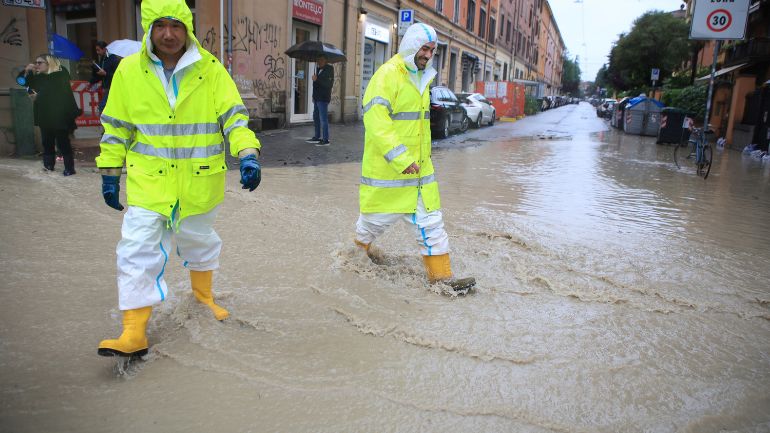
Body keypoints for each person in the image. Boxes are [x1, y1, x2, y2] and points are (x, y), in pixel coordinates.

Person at [95, 0, 262, 358]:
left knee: (199, 243)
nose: (168, 34)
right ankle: (133, 331)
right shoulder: (129, 71)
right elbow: (116, 128)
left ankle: (203, 299)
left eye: (176, 26)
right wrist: (109, 173)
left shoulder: (210, 69)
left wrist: (248, 153)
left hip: (200, 183)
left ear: (187, 29)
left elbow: (234, 118)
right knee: (136, 250)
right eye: (160, 26)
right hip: (149, 184)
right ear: (148, 29)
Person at [353, 23, 475, 293]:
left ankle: (442, 281)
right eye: (425, 48)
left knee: (432, 225)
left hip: (420, 175)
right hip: (389, 176)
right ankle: (352, 261)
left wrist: (417, 161)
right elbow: (376, 122)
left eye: (432, 50)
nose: (428, 54)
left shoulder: (422, 78)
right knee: (369, 227)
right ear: (411, 46)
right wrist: (401, 159)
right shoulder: (387, 76)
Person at [17, 54, 80, 176]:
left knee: (63, 142)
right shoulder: (39, 76)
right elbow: (22, 82)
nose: (37, 65)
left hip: (60, 114)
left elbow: (53, 90)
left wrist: (38, 96)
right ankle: (48, 165)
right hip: (45, 114)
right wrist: (26, 71)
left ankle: (69, 168)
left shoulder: (61, 73)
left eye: (40, 63)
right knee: (47, 141)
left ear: (49, 63)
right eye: (36, 62)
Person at [306, 55, 333, 146]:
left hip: (323, 98)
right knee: (316, 117)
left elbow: (328, 84)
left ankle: (325, 140)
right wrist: (313, 96)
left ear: (325, 60)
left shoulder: (329, 69)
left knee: (323, 119)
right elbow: (315, 85)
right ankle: (317, 137)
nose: (319, 62)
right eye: (318, 60)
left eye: (321, 60)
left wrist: (317, 79)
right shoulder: (317, 69)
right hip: (317, 98)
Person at [90, 40, 121, 112]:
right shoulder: (102, 59)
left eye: (98, 50)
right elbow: (98, 76)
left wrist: (105, 74)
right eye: (96, 50)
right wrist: (94, 69)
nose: (97, 52)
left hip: (112, 88)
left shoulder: (113, 59)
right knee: (108, 108)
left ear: (104, 49)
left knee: (102, 107)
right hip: (105, 87)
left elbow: (116, 75)